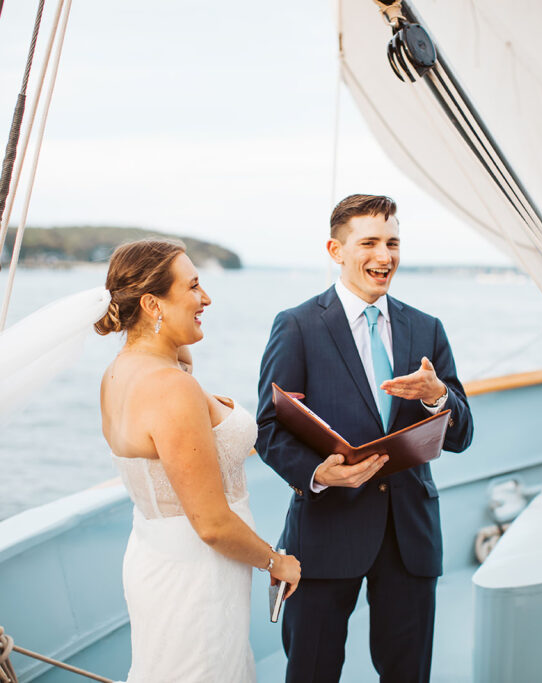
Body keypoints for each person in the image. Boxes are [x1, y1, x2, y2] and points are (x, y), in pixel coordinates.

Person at [256, 194, 474, 682]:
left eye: (393, 242)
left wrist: (439, 396)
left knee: (408, 674)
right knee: (312, 671)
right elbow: (269, 428)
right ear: (336, 250)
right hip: (326, 529)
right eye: (370, 242)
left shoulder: (426, 328)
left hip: (409, 535)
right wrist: (315, 472)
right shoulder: (297, 326)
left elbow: (462, 434)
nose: (385, 256)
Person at [96, 240, 301, 683]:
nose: (206, 298)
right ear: (152, 303)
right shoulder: (171, 389)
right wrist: (276, 561)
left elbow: (180, 358)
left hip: (155, 556)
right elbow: (211, 523)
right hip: (197, 577)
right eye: (193, 286)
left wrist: (173, 327)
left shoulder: (119, 372)